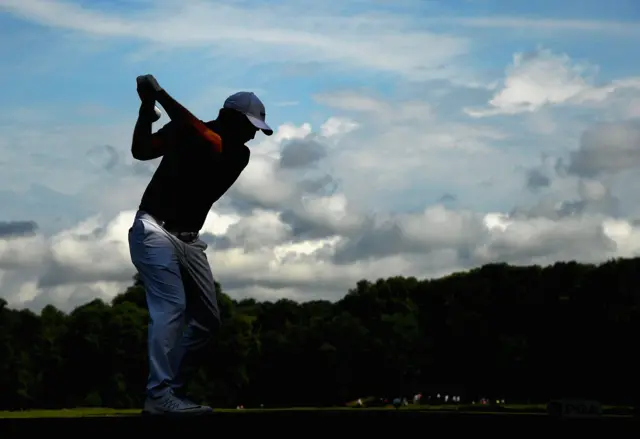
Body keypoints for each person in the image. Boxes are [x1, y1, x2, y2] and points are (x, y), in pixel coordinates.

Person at [128, 74, 273, 416]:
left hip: (190, 241)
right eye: (251, 125)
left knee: (208, 320)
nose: (255, 133)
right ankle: (159, 393)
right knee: (171, 308)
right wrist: (146, 109)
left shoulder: (237, 153)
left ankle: (171, 392)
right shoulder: (185, 130)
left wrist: (159, 95)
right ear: (231, 117)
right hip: (153, 230)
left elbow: (207, 138)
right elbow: (141, 151)